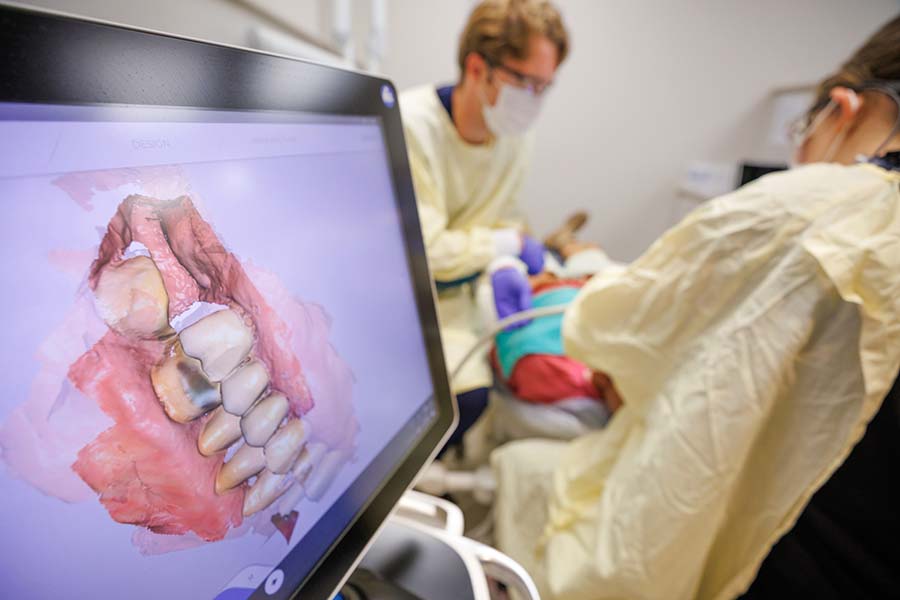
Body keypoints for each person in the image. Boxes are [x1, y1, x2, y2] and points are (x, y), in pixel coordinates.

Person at [490, 15, 900, 599]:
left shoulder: (815, 205)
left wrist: (580, 274)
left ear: (842, 110)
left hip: (745, 561)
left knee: (526, 472)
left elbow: (613, 327)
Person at [399, 0, 569, 447]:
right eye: (526, 83)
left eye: (545, 87)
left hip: (464, 296)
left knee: (511, 378)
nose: (534, 101)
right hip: (407, 297)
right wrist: (507, 245)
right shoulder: (412, 126)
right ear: (478, 68)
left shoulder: (515, 137)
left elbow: (504, 218)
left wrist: (505, 265)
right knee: (459, 403)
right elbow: (426, 251)